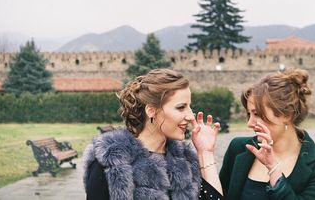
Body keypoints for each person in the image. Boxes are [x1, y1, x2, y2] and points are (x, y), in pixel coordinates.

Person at [192, 68, 315, 200]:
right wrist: (206, 153)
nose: (250, 123)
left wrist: (273, 169)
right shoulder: (239, 148)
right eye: (249, 114)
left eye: (257, 114)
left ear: (286, 115)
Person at [83, 68, 221, 200]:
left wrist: (206, 152)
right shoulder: (112, 163)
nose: (191, 116)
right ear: (151, 111)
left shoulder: (186, 160)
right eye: (181, 107)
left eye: (190, 107)